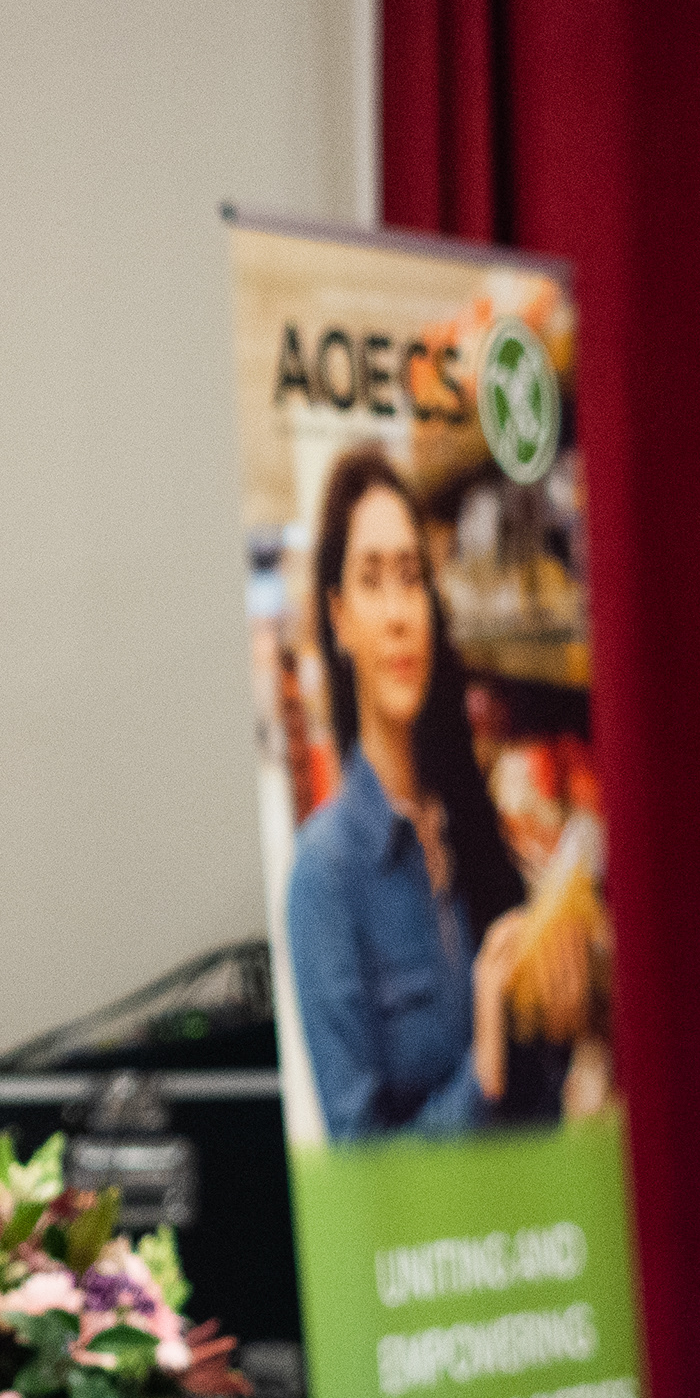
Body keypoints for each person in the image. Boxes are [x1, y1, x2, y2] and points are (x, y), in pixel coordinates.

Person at [283, 450, 567, 1142]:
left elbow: (539, 1103)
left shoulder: (469, 817)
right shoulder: (324, 875)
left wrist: (554, 1013)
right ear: (340, 618)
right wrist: (484, 1071)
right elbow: (362, 1164)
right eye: (372, 580)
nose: (398, 614)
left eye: (411, 579)